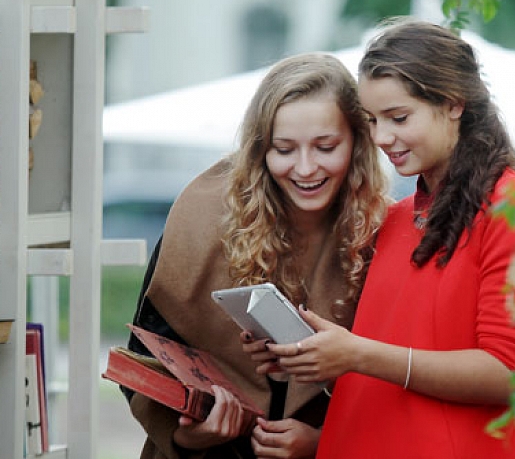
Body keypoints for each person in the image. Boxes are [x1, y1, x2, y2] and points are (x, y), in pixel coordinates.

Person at [266, 19, 515, 458]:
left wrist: (356, 355)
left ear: (453, 102)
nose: (382, 138)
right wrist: (316, 361)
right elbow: (395, 382)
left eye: (399, 117)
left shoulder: (514, 207)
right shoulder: (395, 219)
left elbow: (514, 373)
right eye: (371, 120)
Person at [123, 53, 389, 459]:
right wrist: (190, 437)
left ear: (357, 142)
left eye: (325, 146)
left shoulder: (383, 232)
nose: (305, 168)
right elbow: (143, 360)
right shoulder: (203, 214)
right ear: (260, 150)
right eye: (284, 149)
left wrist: (324, 444)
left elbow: (394, 387)